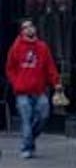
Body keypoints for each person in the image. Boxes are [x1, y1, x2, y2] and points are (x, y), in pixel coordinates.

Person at [5, 20, 61, 159]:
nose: (29, 29)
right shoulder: (16, 47)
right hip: (22, 91)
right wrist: (15, 82)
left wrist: (56, 83)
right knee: (26, 119)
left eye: (31, 26)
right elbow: (10, 68)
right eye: (26, 27)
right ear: (22, 31)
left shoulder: (42, 47)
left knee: (43, 115)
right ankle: (26, 147)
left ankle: (29, 139)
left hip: (39, 90)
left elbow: (50, 67)